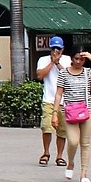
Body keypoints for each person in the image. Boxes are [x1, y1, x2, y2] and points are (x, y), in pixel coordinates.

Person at [53, 50, 91, 182]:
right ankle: (71, 162)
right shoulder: (64, 73)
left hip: (87, 110)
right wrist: (55, 113)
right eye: (76, 59)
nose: (78, 61)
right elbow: (59, 94)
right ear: (72, 59)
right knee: (73, 141)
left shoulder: (88, 72)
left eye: (82, 59)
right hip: (70, 111)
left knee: (85, 143)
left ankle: (84, 173)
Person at [35, 35, 70, 167]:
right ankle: (46, 152)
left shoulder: (67, 60)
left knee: (62, 130)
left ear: (62, 49)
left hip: (64, 101)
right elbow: (40, 75)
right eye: (54, 48)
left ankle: (59, 156)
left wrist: (57, 63)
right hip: (48, 99)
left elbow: (68, 76)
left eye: (58, 49)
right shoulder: (43, 60)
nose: (56, 51)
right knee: (47, 127)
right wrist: (51, 62)